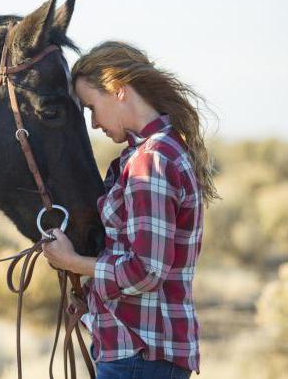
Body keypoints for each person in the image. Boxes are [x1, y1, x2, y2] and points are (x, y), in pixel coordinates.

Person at [42, 41, 218, 379]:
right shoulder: (154, 153)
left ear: (118, 90)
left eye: (92, 107)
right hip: (139, 351)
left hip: (140, 356)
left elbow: (146, 271)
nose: (93, 123)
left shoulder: (150, 161)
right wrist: (92, 299)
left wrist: (72, 263)